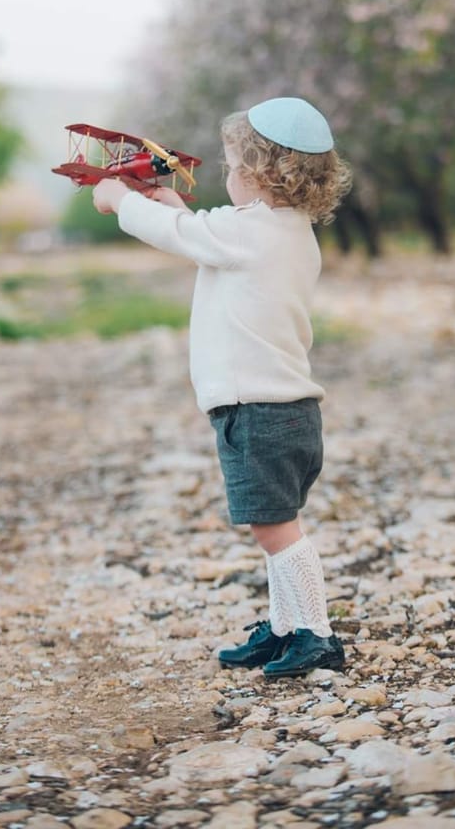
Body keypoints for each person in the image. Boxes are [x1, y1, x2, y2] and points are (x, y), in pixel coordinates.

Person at [92, 96, 352, 678]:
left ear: (262, 175)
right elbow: (204, 233)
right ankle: (285, 626)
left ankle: (316, 633)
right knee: (274, 520)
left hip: (259, 410)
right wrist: (173, 205)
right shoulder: (287, 232)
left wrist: (120, 200)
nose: (227, 176)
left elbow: (182, 236)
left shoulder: (248, 234)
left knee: (275, 528)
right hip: (285, 410)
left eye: (233, 167)